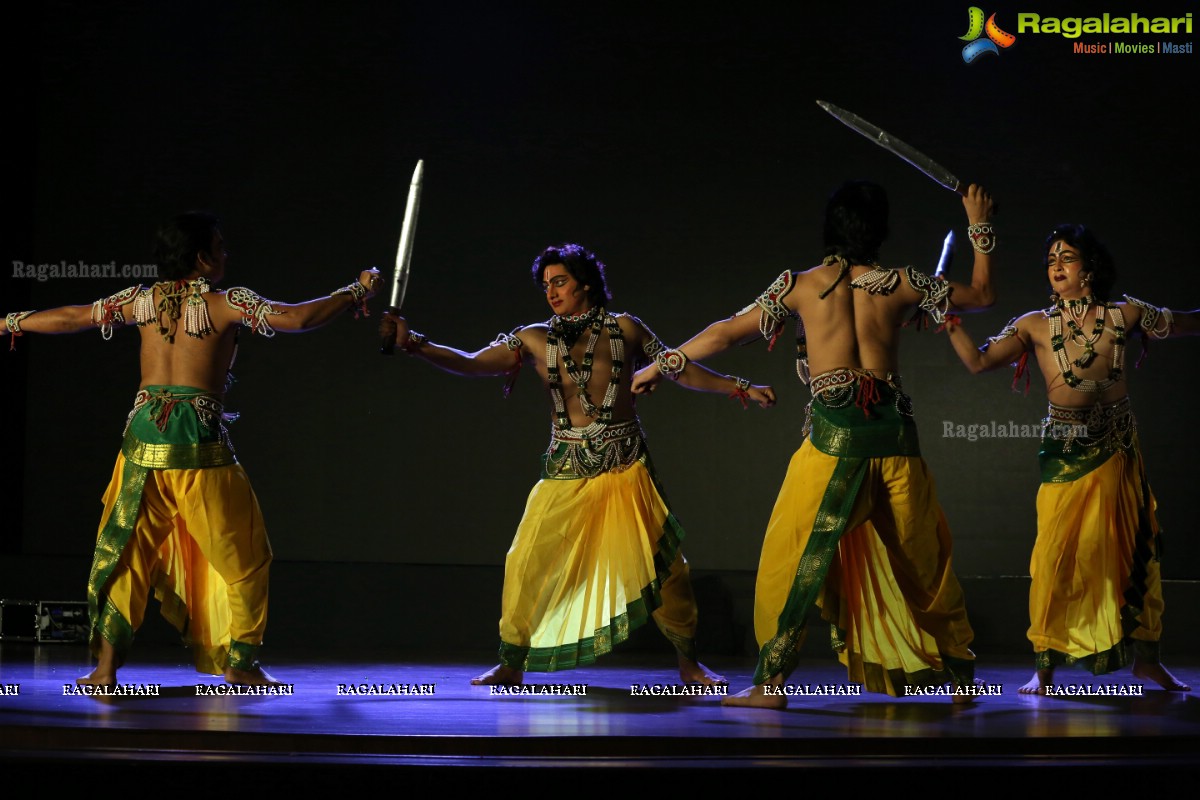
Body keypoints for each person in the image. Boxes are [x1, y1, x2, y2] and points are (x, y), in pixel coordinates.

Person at [633, 181, 996, 707]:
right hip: (895, 441)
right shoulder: (904, 283)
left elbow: (726, 332)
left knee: (791, 558)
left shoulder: (800, 286)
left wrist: (658, 367)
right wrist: (979, 224)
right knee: (924, 561)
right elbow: (982, 295)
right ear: (879, 231)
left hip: (833, 443)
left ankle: (770, 685)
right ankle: (962, 678)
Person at [2, 211, 379, 686]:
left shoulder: (141, 302)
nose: (225, 255)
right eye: (220, 248)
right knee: (244, 554)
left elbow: (74, 317)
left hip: (141, 440)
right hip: (197, 442)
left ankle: (104, 669)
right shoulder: (225, 304)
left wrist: (9, 321)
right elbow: (298, 318)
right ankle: (241, 665)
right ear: (201, 259)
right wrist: (356, 291)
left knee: (128, 552)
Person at [379, 243, 774, 686]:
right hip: (566, 468)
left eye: (560, 281)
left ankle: (689, 664)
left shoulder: (626, 328)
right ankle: (511, 663)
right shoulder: (532, 337)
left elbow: (675, 369)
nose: (551, 292)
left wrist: (737, 386)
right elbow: (473, 364)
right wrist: (415, 344)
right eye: (546, 285)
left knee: (666, 568)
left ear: (585, 282)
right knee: (525, 560)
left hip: (625, 467)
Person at [943, 223, 1195, 694]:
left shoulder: (1126, 315)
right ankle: (1044, 666)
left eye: (1068, 257)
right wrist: (951, 323)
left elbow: (1186, 321)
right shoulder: (1034, 324)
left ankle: (1147, 660)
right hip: (1065, 454)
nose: (1056, 265)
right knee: (1055, 558)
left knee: (1135, 552)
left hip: (1119, 451)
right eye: (1051, 259)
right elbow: (979, 362)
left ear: (1091, 268)